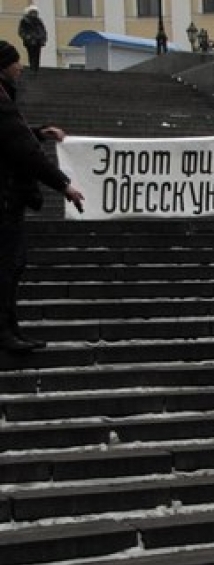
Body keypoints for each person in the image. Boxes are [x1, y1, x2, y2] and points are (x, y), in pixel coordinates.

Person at [0, 41, 85, 352]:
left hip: (8, 197)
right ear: (3, 66)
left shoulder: (5, 98)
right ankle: (5, 333)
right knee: (8, 266)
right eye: (15, 62)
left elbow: (14, 138)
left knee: (12, 266)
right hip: (6, 200)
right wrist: (64, 186)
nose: (20, 67)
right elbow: (25, 152)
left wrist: (37, 132)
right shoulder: (1, 100)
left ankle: (10, 330)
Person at [17, 6, 46, 74]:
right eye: (33, 12)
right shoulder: (25, 20)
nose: (34, 14)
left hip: (38, 40)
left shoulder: (39, 21)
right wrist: (28, 37)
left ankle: (36, 68)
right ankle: (32, 68)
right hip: (30, 41)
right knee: (31, 55)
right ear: (29, 13)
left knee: (37, 55)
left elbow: (42, 30)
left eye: (35, 12)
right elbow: (21, 31)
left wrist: (43, 38)